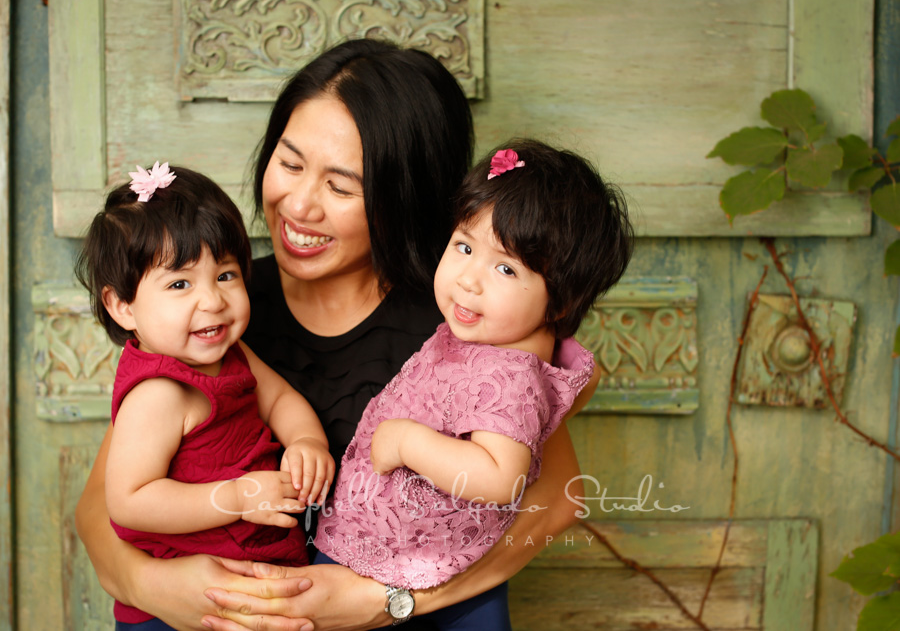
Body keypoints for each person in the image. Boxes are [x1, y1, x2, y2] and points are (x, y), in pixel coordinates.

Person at [76, 39, 601, 631]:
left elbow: (557, 498)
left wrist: (385, 599)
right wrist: (157, 587)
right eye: (291, 164)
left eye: (342, 186)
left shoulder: (464, 320)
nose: (299, 205)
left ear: (403, 197)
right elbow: (102, 506)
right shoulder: (216, 309)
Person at [313, 139, 633, 630]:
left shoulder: (509, 374)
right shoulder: (487, 339)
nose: (468, 279)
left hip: (417, 567)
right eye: (464, 246)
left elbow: (500, 478)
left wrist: (408, 441)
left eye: (505, 268)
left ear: (560, 302)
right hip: (398, 552)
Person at [75, 163, 335, 629]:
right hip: (180, 609)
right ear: (123, 306)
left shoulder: (232, 352)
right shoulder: (158, 393)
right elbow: (130, 501)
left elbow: (279, 400)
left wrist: (306, 442)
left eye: (226, 275)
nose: (212, 301)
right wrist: (236, 497)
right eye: (180, 284)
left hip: (257, 574)